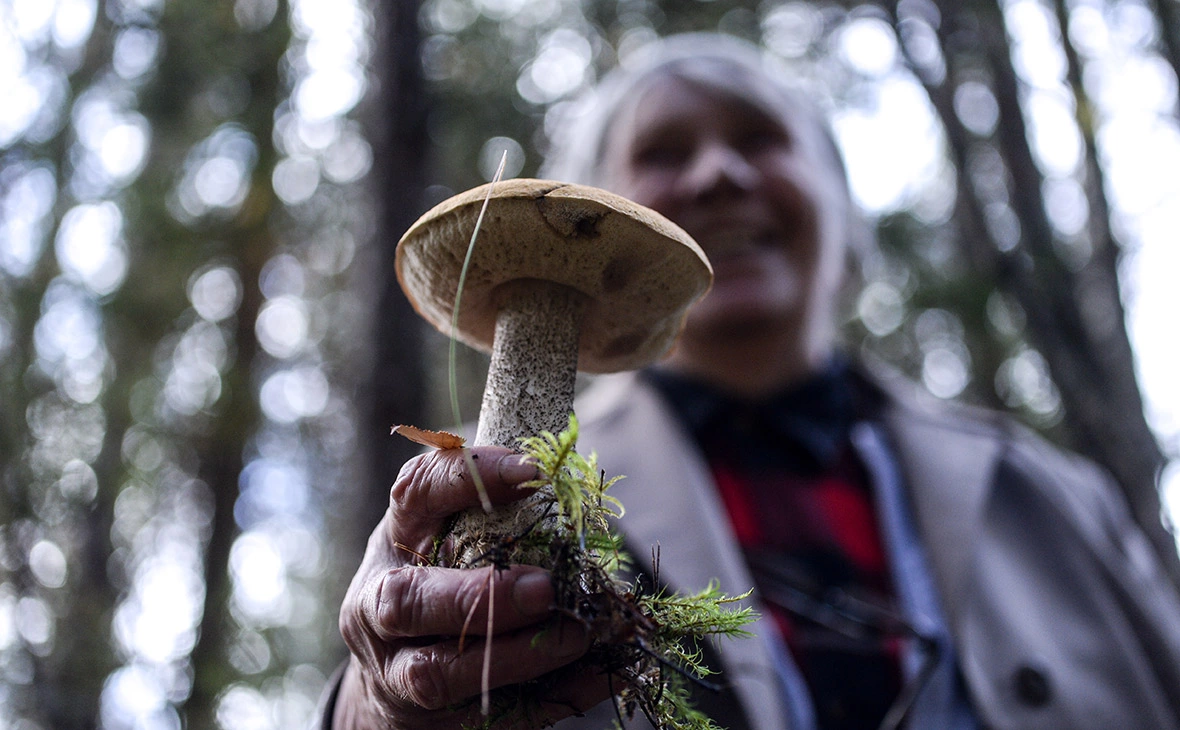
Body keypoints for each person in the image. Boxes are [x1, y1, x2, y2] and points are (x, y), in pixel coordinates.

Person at [321, 33, 1180, 730]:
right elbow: (402, 691)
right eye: (663, 153)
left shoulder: (1053, 496)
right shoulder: (497, 493)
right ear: (588, 204)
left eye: (761, 139)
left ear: (841, 206)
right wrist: (373, 708)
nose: (716, 175)